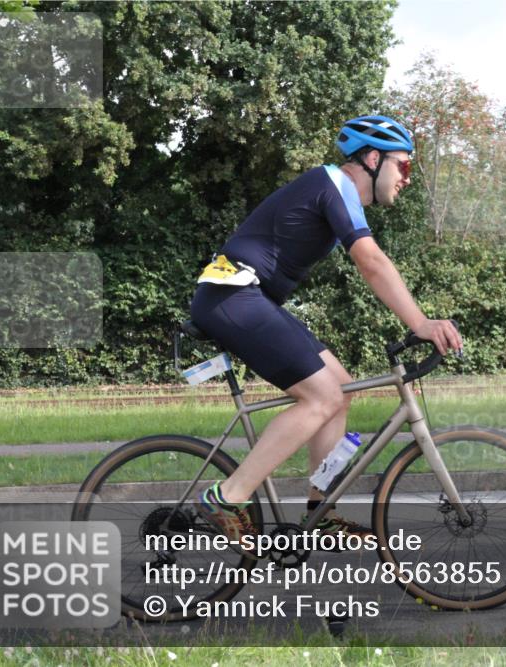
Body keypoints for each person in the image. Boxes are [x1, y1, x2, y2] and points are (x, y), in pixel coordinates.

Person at [189, 115, 463, 547]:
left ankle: (321, 509)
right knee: (323, 397)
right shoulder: (332, 182)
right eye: (404, 166)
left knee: (342, 390)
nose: (406, 179)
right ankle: (228, 496)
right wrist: (421, 323)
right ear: (372, 159)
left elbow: (370, 262)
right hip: (232, 296)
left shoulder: (336, 192)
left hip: (244, 298)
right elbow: (370, 262)